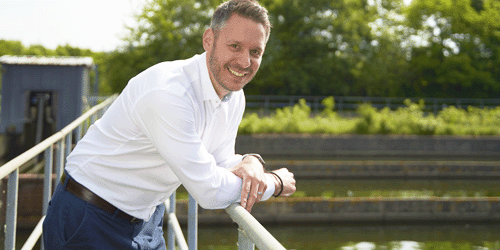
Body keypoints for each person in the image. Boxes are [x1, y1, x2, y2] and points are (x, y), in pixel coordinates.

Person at [42, 0, 296, 249]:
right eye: (235, 46)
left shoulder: (234, 96)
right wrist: (274, 183)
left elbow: (219, 160)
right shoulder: (169, 92)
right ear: (209, 40)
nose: (244, 62)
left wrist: (251, 161)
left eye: (255, 52)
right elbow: (208, 190)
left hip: (145, 218)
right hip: (89, 215)